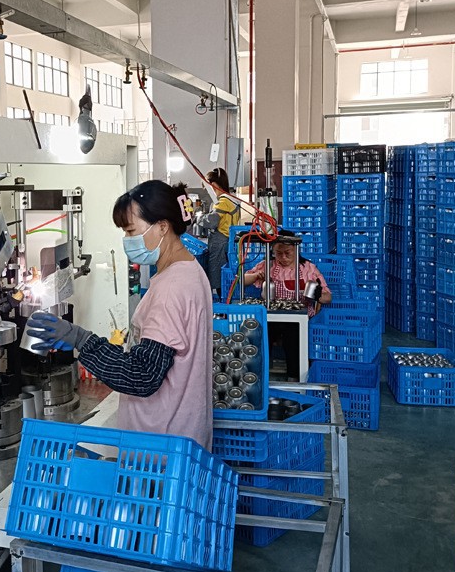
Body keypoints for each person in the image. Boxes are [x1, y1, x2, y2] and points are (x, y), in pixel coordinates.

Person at [26, 180, 213, 450]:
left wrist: (81, 340)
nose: (127, 240)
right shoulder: (189, 270)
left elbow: (142, 375)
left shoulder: (171, 288)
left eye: (131, 231)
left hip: (160, 449)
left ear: (162, 226)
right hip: (180, 437)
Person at [242, 237, 332, 381]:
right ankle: (259, 375)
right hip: (272, 315)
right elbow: (241, 281)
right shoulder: (268, 265)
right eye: (279, 253)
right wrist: (257, 275)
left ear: (296, 250)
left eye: (287, 253)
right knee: (261, 334)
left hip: (299, 317)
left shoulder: (308, 268)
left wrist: (317, 294)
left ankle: (294, 377)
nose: (283, 257)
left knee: (293, 337)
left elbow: (328, 297)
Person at [198, 168, 240, 296]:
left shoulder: (223, 202)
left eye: (207, 187)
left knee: (219, 277)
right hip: (228, 241)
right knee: (225, 276)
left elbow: (212, 221)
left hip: (220, 243)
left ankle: (222, 303)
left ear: (213, 185)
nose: (206, 190)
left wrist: (199, 218)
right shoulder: (232, 199)